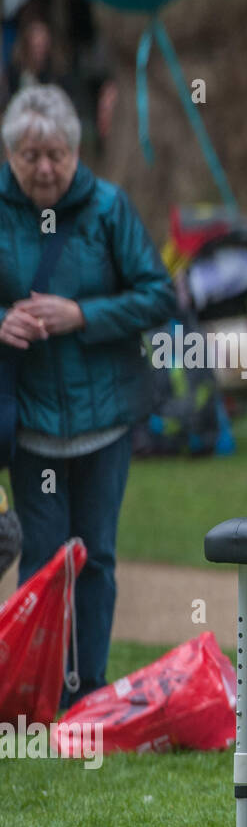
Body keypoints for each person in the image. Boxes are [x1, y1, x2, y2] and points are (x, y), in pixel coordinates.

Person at [0, 85, 176, 706]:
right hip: (29, 422)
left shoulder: (107, 208)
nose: (44, 168)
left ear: (76, 151)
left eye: (56, 154)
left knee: (95, 555)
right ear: (10, 155)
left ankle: (88, 691)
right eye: (29, 155)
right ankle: (33, 692)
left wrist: (82, 313)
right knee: (43, 560)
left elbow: (160, 294)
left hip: (104, 419)